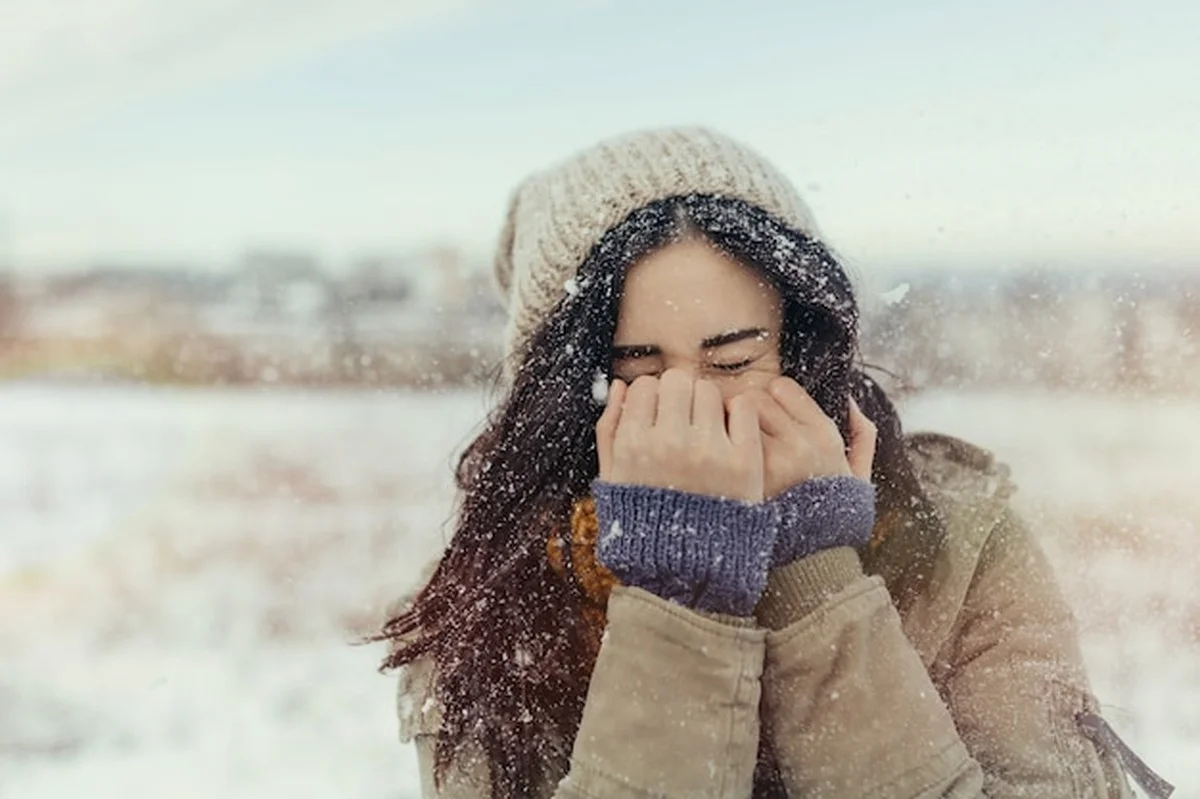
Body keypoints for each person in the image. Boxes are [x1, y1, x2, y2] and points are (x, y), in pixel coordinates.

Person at [375, 127, 1172, 798]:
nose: (694, 413)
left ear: (802, 349)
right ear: (569, 398)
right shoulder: (489, 612)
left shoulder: (964, 547)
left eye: (731, 362)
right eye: (641, 376)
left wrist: (815, 578)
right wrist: (679, 598)